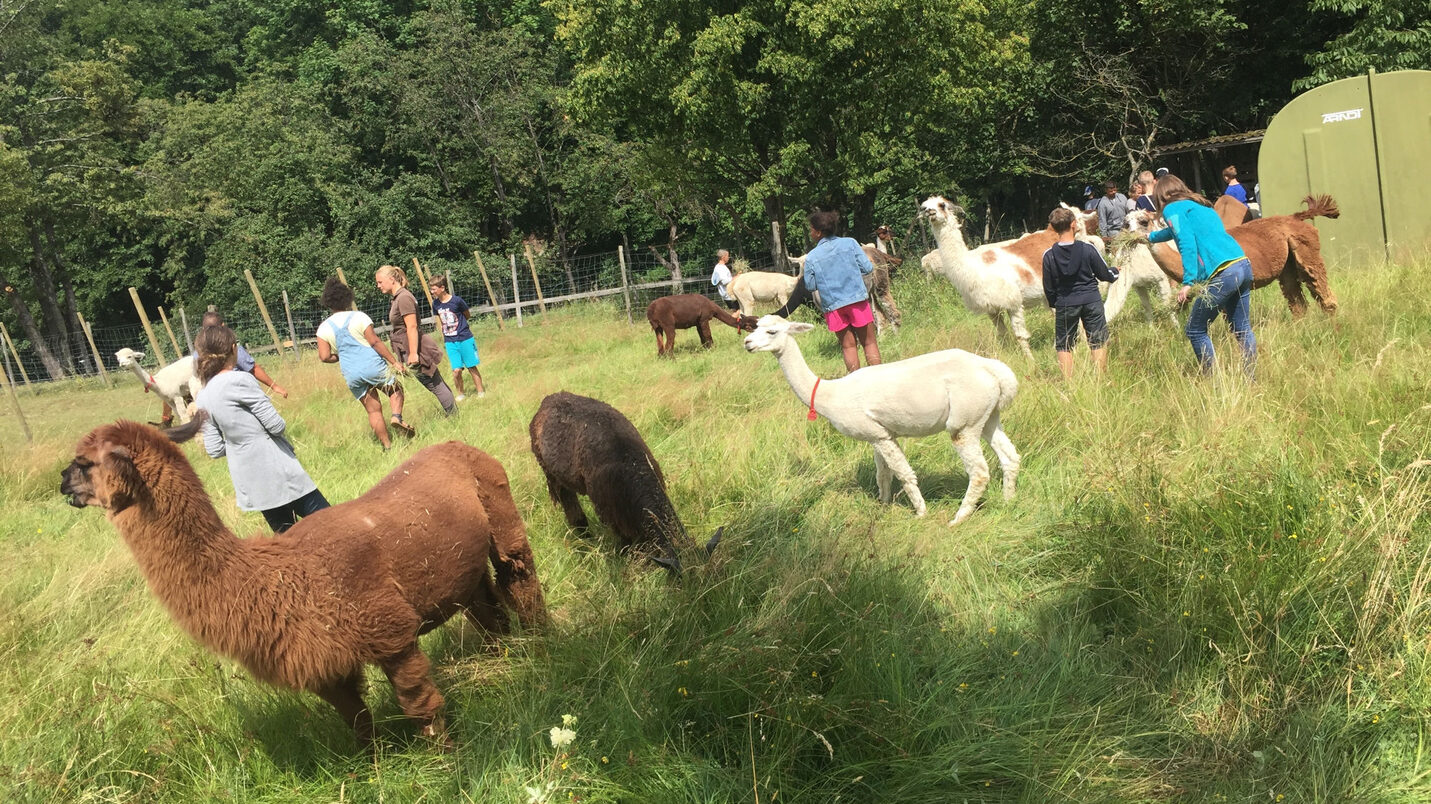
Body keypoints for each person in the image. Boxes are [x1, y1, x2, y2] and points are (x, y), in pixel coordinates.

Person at [194, 324, 329, 532]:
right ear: (233, 348)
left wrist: (238, 443)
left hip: (249, 478)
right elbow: (276, 426)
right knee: (330, 523)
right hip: (277, 468)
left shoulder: (203, 396)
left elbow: (214, 449)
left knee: (286, 538)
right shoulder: (240, 380)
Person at [1146, 173, 1257, 377]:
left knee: (1195, 330)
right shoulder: (1201, 206)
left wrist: (1188, 282)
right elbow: (1175, 231)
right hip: (1242, 264)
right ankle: (1250, 379)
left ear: (1161, 196)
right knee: (1242, 328)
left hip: (1223, 273)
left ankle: (1212, 381)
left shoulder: (1172, 208)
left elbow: (1186, 243)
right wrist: (1150, 237)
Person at [315, 276, 410, 449]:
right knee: (396, 390)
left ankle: (387, 446)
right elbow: (374, 342)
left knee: (373, 410)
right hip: (373, 365)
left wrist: (340, 357)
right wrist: (394, 362)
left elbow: (324, 356)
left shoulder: (323, 327)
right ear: (347, 298)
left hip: (351, 373)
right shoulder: (359, 317)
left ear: (328, 303)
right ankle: (396, 417)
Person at [1042, 207, 1120, 379]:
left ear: (1054, 228)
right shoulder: (1088, 248)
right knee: (1097, 340)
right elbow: (1104, 274)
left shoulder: (1049, 255)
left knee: (1064, 344)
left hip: (1065, 302)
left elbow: (1048, 287)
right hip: (1091, 300)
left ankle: (1069, 384)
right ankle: (1100, 380)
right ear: (1073, 224)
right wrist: (1116, 271)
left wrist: (1057, 303)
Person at [802, 210, 881, 373]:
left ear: (818, 232)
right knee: (869, 343)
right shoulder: (850, 243)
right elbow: (867, 268)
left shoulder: (811, 257)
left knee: (848, 347)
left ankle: (856, 383)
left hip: (833, 307)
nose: (810, 233)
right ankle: (879, 380)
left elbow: (810, 286)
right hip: (857, 301)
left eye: (811, 229)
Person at [376, 264, 457, 418]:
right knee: (433, 382)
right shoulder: (398, 298)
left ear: (391, 279)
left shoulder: (404, 297)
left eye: (380, 282)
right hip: (407, 346)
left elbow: (412, 326)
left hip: (414, 347)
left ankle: (453, 416)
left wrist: (413, 353)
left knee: (434, 383)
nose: (378, 285)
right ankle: (452, 413)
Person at [197, 310, 288, 398]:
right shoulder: (232, 348)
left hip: (213, 399)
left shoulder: (198, 355)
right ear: (223, 325)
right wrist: (274, 386)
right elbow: (253, 368)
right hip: (239, 393)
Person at [428, 275, 486, 401]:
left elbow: (467, 315)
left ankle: (481, 392)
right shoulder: (436, 304)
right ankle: (460, 394)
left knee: (471, 366)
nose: (431, 292)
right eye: (431, 289)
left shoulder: (457, 301)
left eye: (433, 289)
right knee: (456, 370)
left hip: (465, 338)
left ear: (442, 288)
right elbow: (439, 320)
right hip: (450, 342)